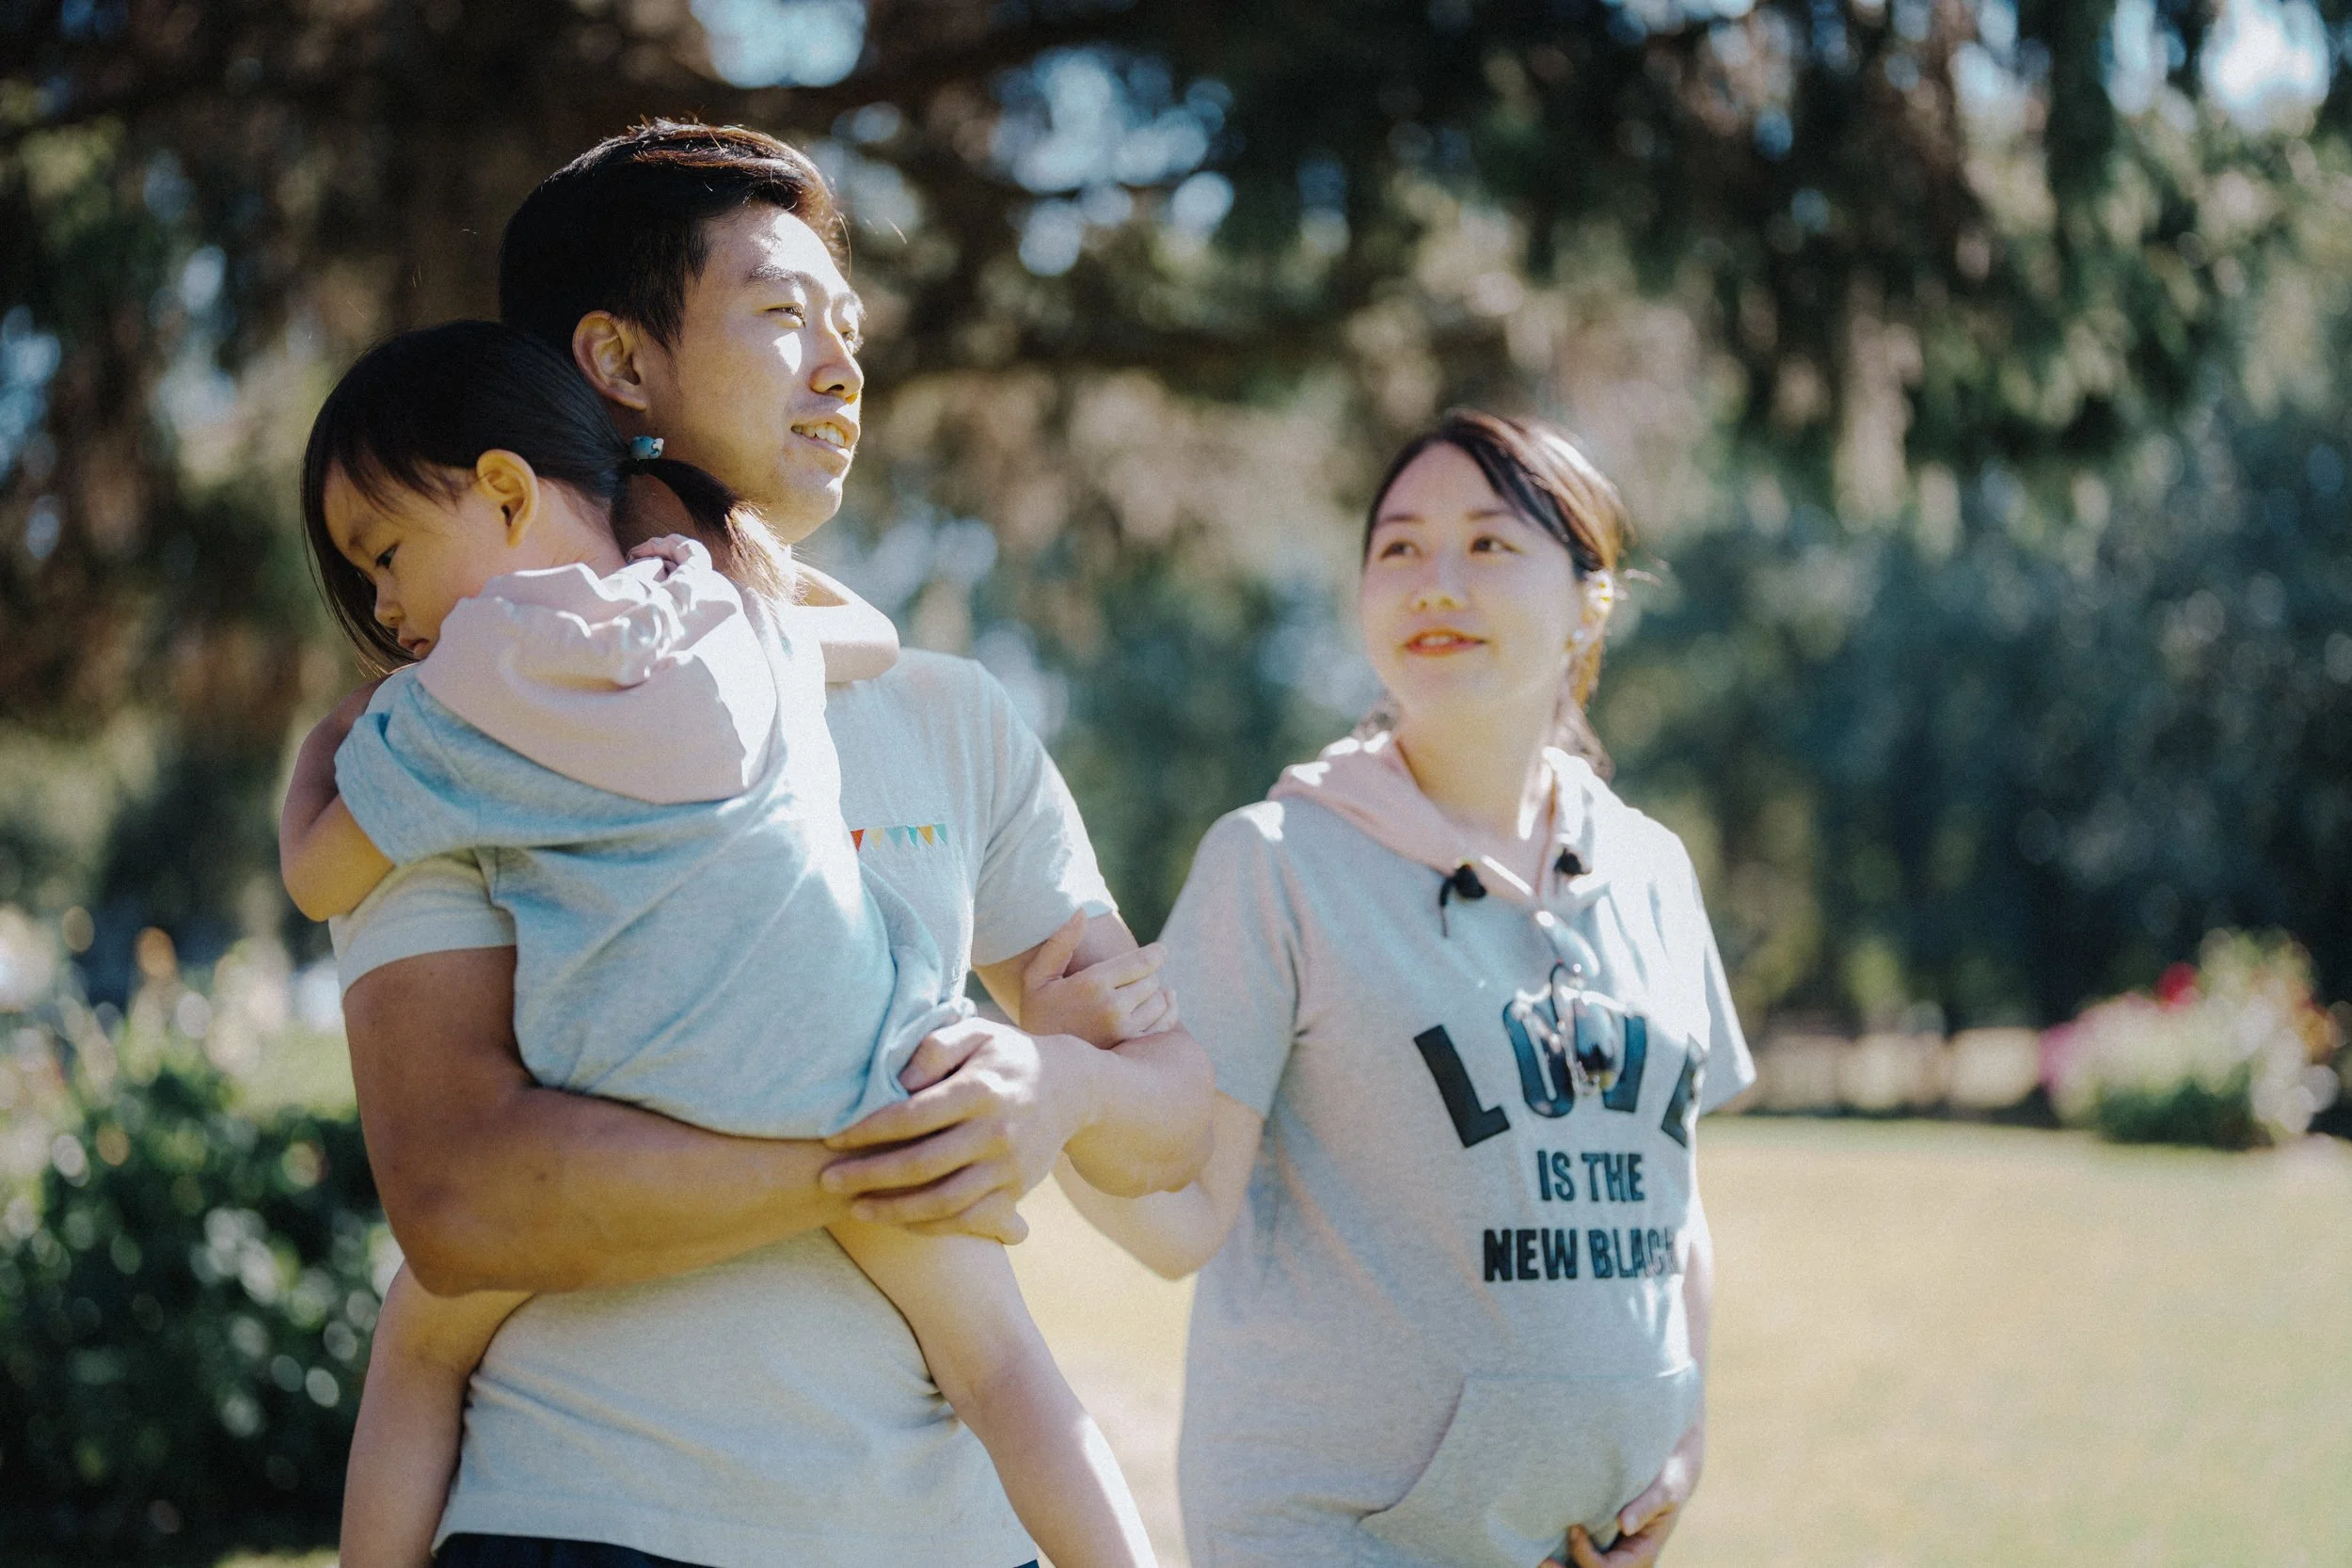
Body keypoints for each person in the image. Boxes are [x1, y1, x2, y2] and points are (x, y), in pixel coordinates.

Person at [327, 124, 1212, 1567]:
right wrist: (873, 1157)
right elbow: (457, 1195)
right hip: (586, 1531)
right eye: (785, 315)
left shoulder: (949, 711)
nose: (845, 367)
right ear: (616, 365)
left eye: (849, 326)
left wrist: (1048, 1084)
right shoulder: (471, 728)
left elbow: (1173, 1107)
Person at [1062, 411, 1756, 1568]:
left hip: (1584, 1541)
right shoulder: (1276, 861)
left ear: (1592, 598)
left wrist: (1675, 1436)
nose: (1436, 581)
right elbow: (1180, 1216)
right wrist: (1051, 1092)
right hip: (1337, 1536)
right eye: (1398, 548)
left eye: (1488, 544)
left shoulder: (1653, 869)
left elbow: (1671, 1204)